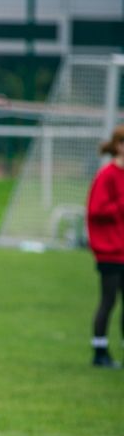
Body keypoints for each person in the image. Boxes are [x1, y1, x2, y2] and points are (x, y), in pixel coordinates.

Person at [87, 125, 124, 368]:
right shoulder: (107, 174)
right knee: (108, 300)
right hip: (111, 251)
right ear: (119, 145)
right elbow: (96, 210)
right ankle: (99, 351)